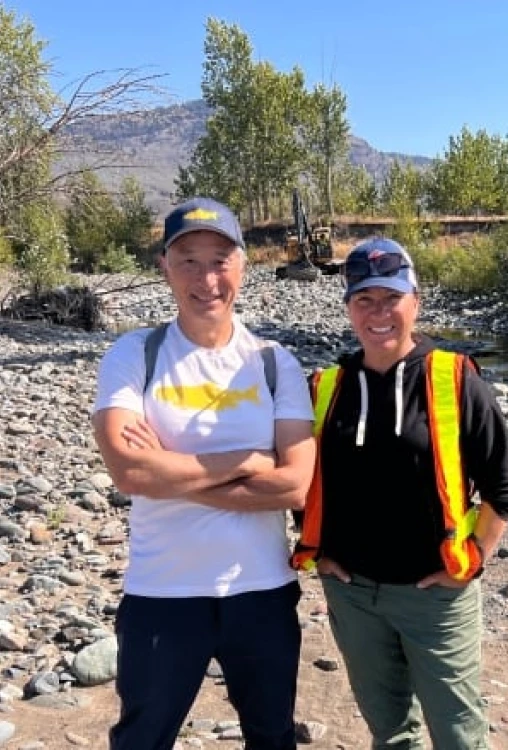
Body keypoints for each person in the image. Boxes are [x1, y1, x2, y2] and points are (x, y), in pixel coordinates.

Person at [92, 196, 316, 750]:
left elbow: (294, 485)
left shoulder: (272, 362)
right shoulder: (134, 355)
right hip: (162, 593)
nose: (205, 277)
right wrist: (246, 461)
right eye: (187, 259)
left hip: (261, 592)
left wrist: (172, 471)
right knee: (142, 740)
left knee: (271, 737)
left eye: (219, 259)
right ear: (164, 267)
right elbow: (129, 473)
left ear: (242, 265)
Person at [292, 237, 508, 749]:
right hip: (353, 595)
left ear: (415, 302)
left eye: (391, 298)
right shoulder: (325, 387)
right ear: (349, 307)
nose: (379, 313)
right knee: (393, 734)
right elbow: (298, 480)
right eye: (364, 300)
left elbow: (503, 486)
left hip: (436, 596)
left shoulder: (454, 378)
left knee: (459, 736)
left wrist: (472, 559)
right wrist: (321, 554)